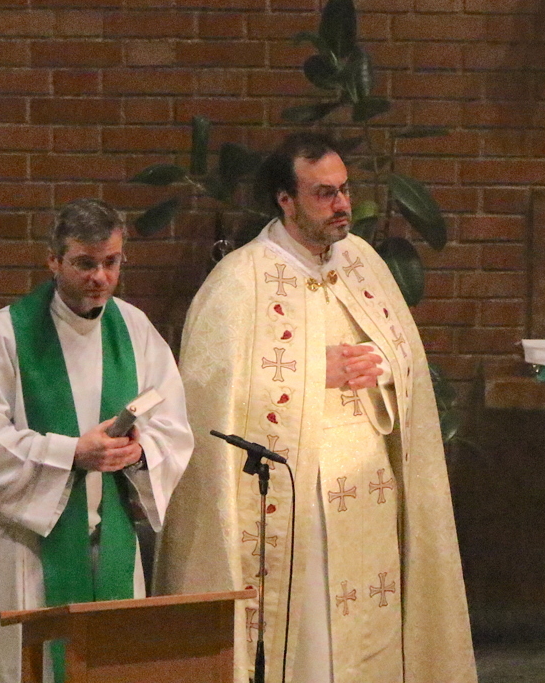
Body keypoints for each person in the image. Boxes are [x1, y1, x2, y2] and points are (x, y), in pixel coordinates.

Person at [154, 133, 476, 683]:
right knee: (308, 640)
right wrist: (311, 371)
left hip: (370, 486)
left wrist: (383, 367)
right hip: (295, 491)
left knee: (370, 630)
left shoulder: (363, 263)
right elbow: (210, 399)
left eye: (344, 190)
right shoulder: (241, 279)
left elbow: (406, 361)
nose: (342, 204)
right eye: (324, 193)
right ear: (286, 200)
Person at [0, 198, 193, 683]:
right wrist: (73, 452)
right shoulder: (4, 335)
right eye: (84, 263)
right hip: (29, 550)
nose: (100, 277)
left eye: (111, 262)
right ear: (53, 260)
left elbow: (172, 425)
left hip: (111, 537)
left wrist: (139, 451)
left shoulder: (134, 329)